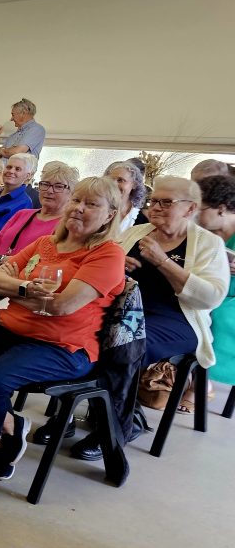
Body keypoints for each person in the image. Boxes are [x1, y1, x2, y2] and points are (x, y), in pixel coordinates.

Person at [0, 176, 126, 479]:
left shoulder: (107, 254)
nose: (78, 208)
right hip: (11, 328)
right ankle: (10, 424)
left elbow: (62, 306)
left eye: (91, 204)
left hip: (63, 345)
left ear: (110, 214)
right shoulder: (45, 244)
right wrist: (27, 290)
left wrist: (18, 293)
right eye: (76, 199)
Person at [114, 176, 228, 423]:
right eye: (153, 201)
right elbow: (104, 269)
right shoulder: (136, 233)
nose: (155, 207)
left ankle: (120, 422)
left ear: (190, 208)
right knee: (80, 330)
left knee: (123, 343)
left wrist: (163, 262)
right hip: (128, 312)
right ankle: (72, 414)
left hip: (179, 320)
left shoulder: (209, 243)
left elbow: (212, 297)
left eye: (166, 202)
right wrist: (116, 265)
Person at [0, 161, 79, 263]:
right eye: (45, 184)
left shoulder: (68, 226)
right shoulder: (22, 214)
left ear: (71, 193)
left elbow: (56, 262)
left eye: (58, 186)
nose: (49, 191)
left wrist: (13, 260)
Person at [195, 174, 235, 398]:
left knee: (218, 314)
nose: (195, 214)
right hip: (211, 291)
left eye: (201, 208)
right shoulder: (206, 235)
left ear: (221, 209)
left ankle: (201, 379)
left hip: (230, 299)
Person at [0, 153, 39, 235]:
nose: (11, 171)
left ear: (28, 176)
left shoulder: (24, 203)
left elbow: (3, 235)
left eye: (18, 169)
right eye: (8, 167)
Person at [105, 160, 149, 232]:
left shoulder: (143, 221)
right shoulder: (97, 213)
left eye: (120, 180)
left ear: (134, 184)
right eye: (110, 180)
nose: (114, 184)